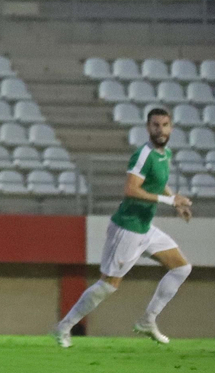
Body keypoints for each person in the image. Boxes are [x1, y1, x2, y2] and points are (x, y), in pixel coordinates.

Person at [55, 108, 193, 347]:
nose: (160, 130)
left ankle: (148, 320)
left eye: (164, 125)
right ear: (148, 128)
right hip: (127, 228)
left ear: (171, 128)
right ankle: (65, 326)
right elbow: (131, 189)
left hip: (145, 227)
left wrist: (175, 201)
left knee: (181, 268)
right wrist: (170, 201)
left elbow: (158, 183)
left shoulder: (165, 153)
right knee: (108, 285)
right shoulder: (143, 155)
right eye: (155, 125)